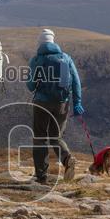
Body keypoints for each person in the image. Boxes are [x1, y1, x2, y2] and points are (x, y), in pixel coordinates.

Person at [26, 28, 83, 183]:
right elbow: (76, 82)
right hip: (62, 104)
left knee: (40, 138)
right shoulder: (66, 58)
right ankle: (67, 158)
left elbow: (31, 86)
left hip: (41, 103)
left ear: (40, 42)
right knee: (55, 136)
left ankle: (41, 175)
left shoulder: (37, 59)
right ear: (53, 41)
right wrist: (77, 102)